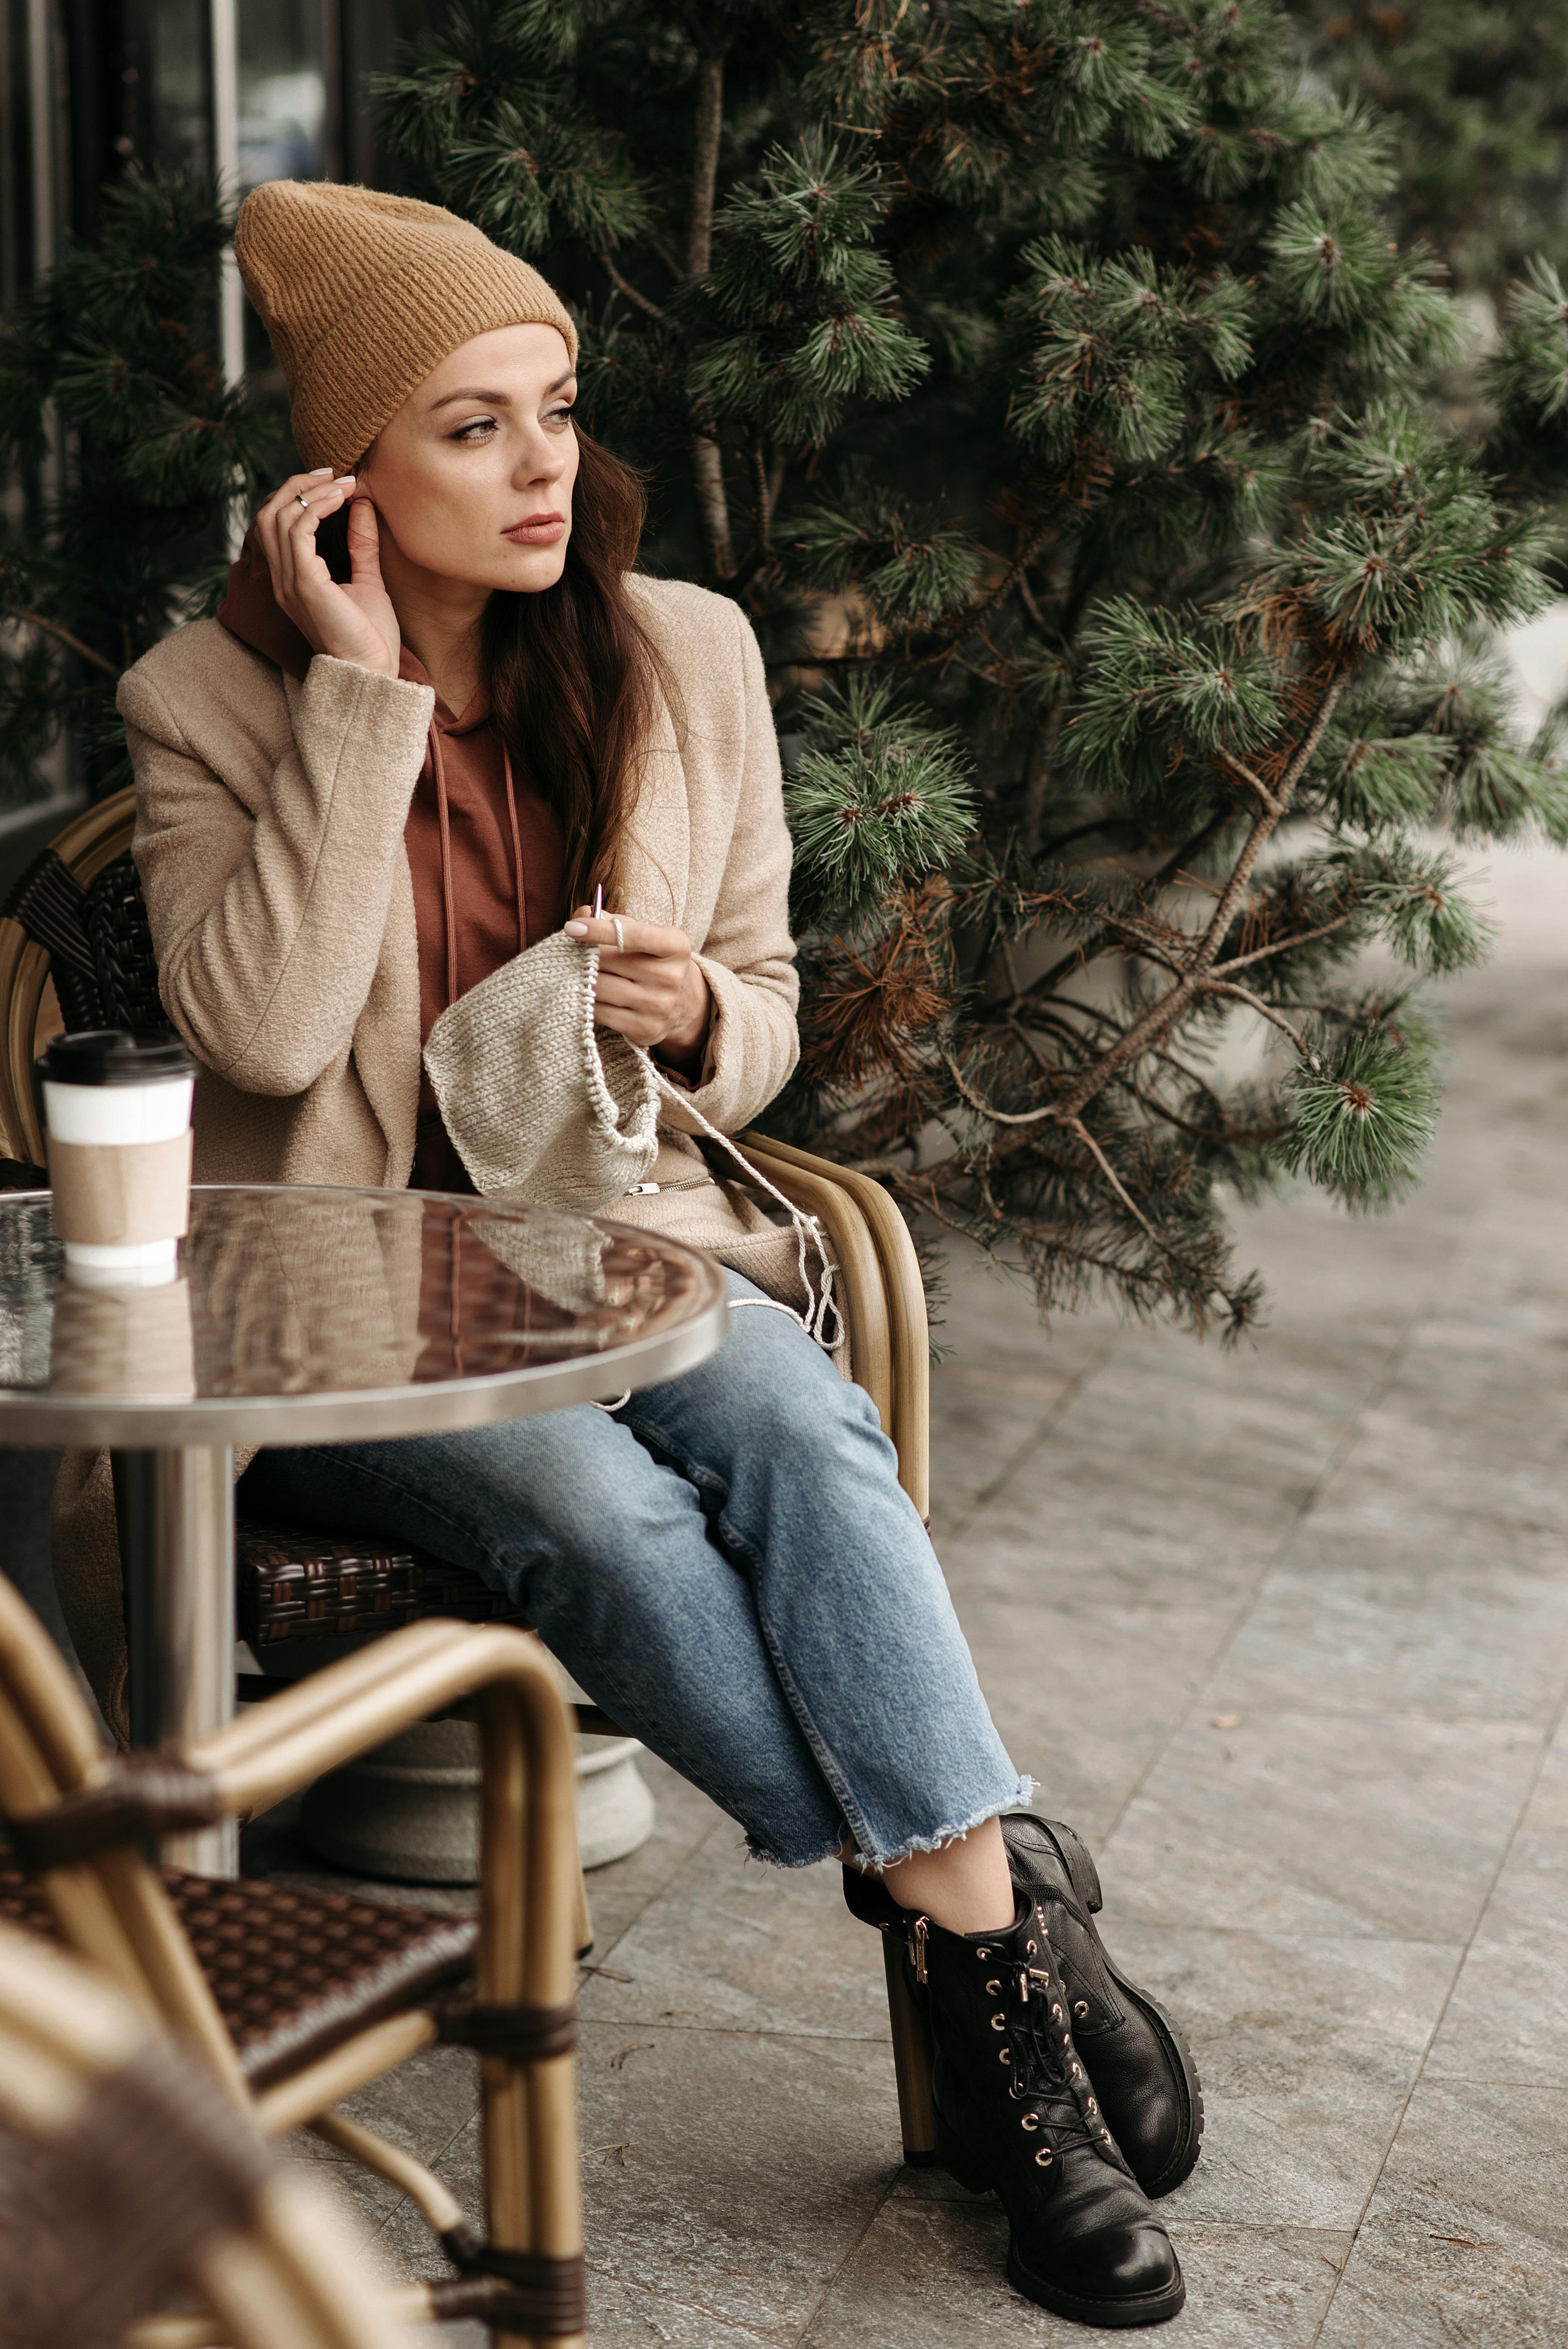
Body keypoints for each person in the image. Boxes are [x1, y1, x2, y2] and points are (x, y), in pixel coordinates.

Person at [116, 181, 1200, 2329]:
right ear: (342, 487)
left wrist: (700, 1013)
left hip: (625, 1249)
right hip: (352, 1326)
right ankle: (1003, 1941)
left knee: (803, 1444)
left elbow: (772, 997)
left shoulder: (682, 650)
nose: (545, 472)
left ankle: (972, 1949)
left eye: (558, 409)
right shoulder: (203, 706)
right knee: (598, 1509)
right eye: (473, 428)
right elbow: (251, 1022)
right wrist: (358, 708)